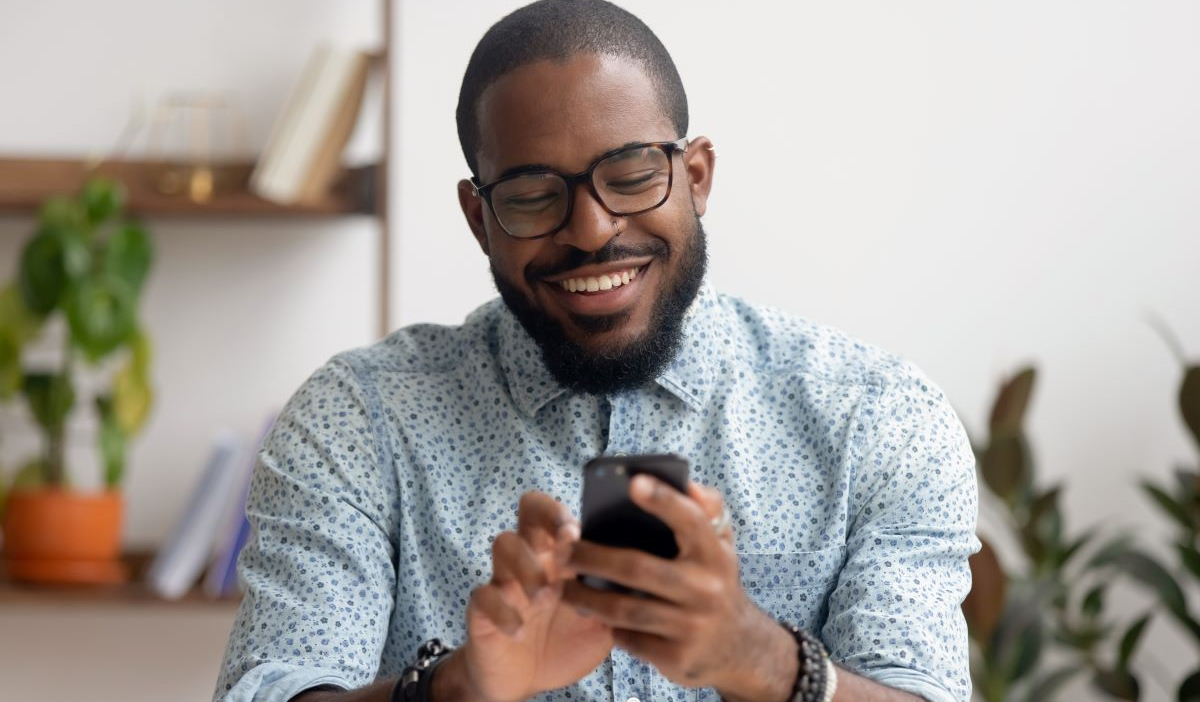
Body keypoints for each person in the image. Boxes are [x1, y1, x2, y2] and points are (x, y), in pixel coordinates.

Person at [212, 2, 980, 702]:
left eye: (633, 174)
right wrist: (451, 692)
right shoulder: (360, 420)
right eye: (531, 194)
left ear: (697, 176)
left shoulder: (878, 418)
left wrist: (764, 660)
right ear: (479, 219)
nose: (590, 229)